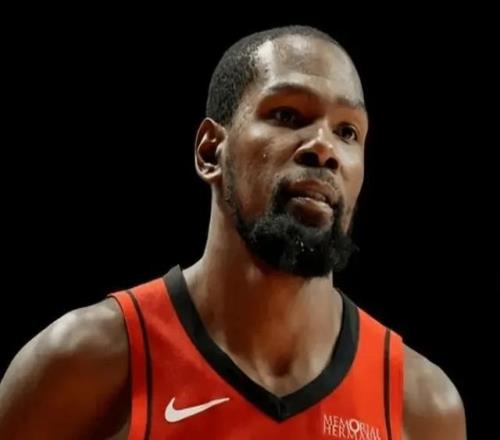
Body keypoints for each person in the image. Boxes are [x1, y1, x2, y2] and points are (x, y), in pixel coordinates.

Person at [0, 25, 466, 439]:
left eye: (348, 131)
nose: (324, 148)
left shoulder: (420, 407)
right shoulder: (84, 364)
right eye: (287, 115)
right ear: (210, 151)